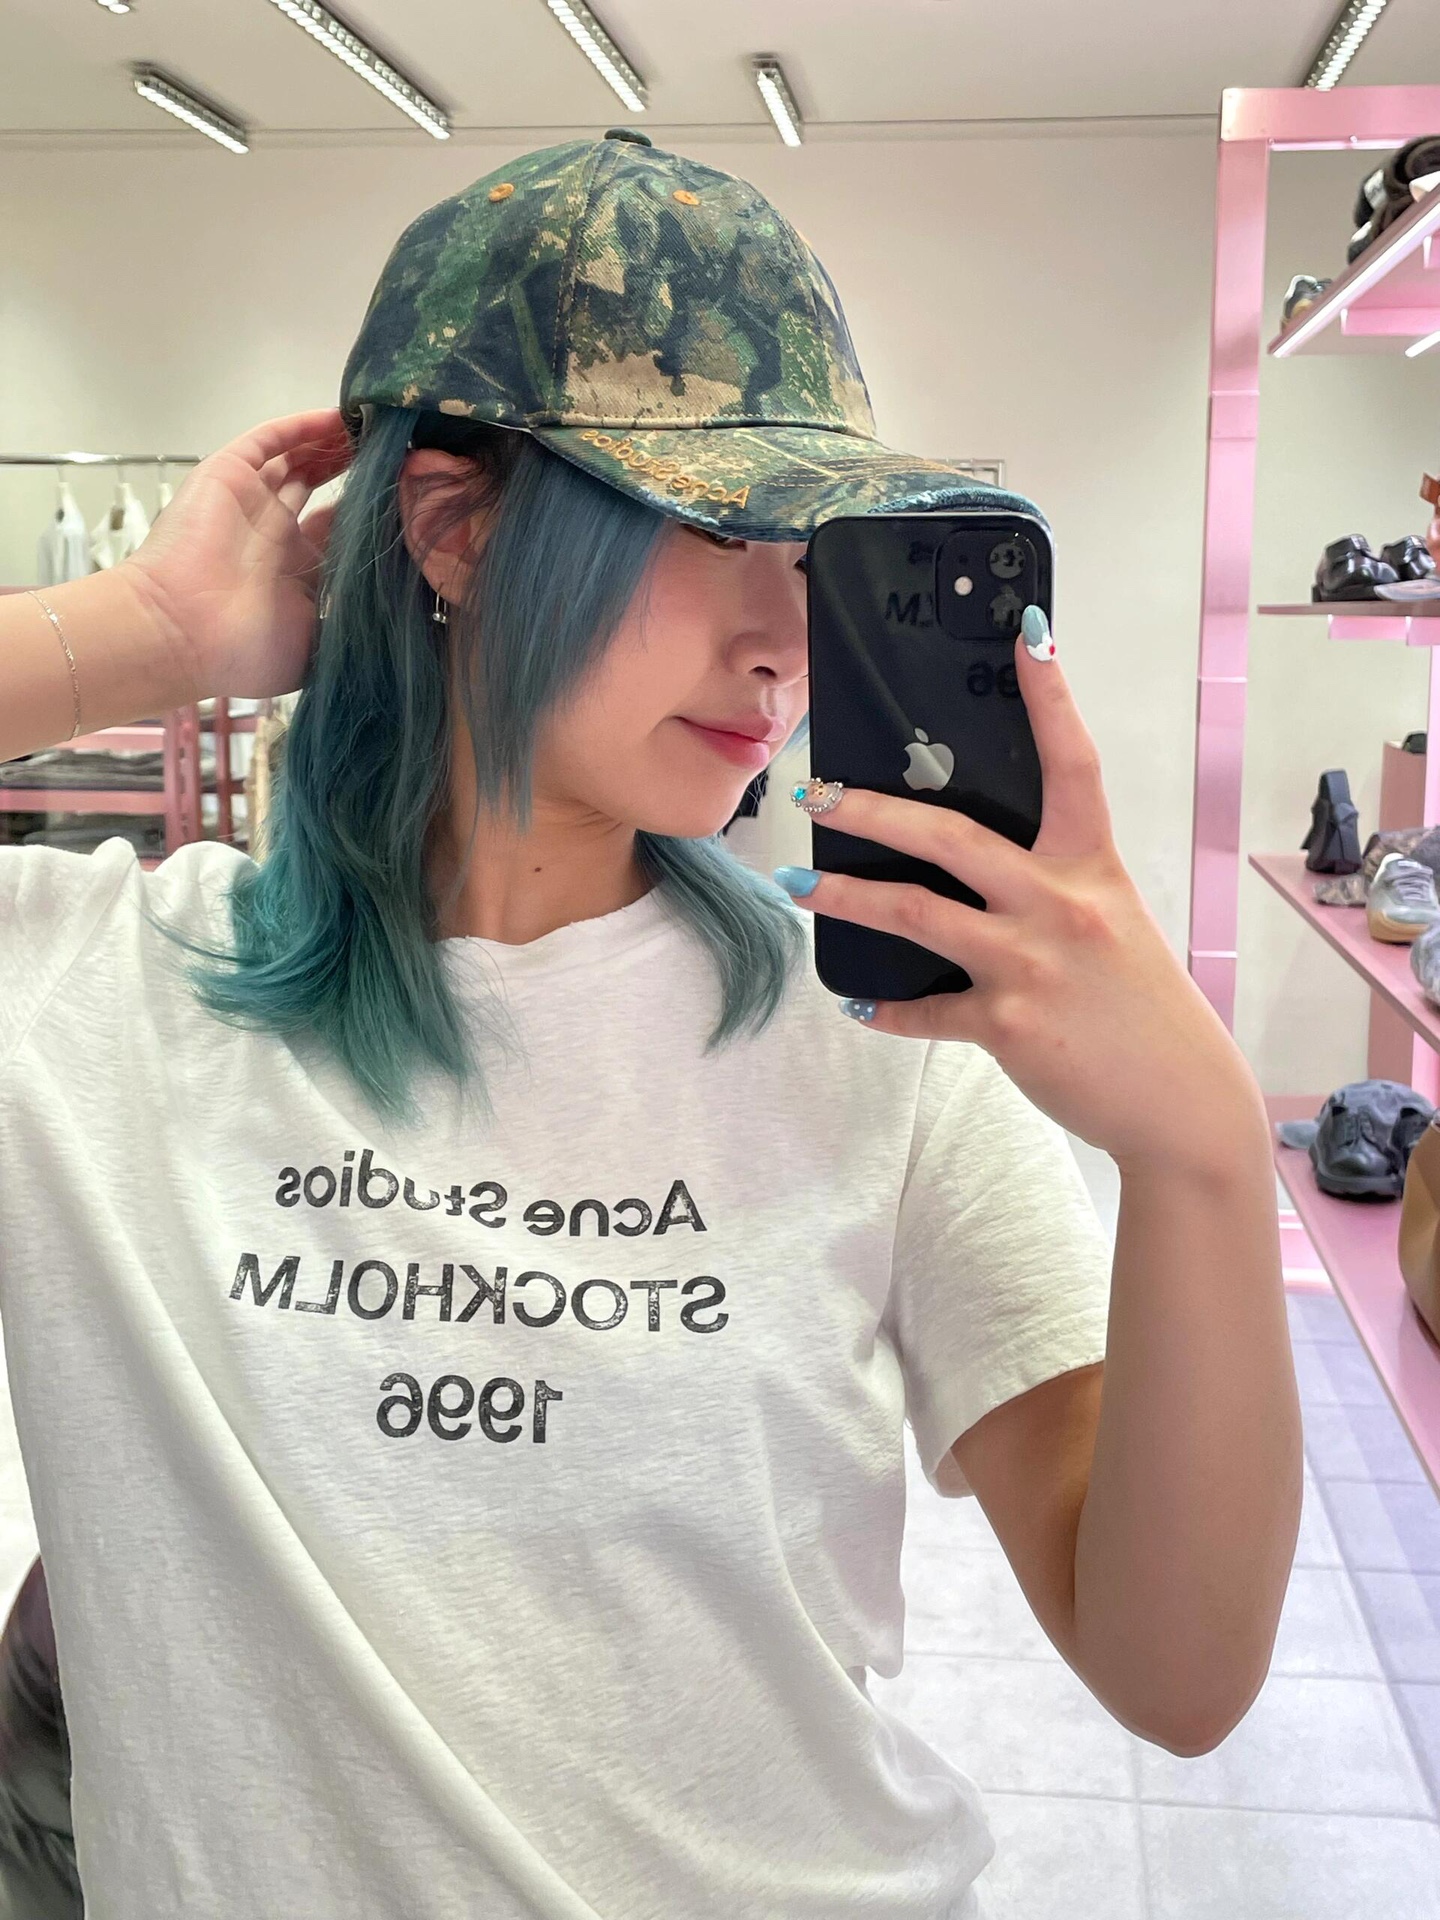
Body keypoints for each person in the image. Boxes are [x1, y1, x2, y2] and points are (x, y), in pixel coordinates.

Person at [0, 133, 1300, 1918]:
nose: (787, 642)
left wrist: (1203, 1155)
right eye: (715, 532)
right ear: (452, 528)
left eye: (812, 552)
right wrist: (149, 632)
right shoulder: (96, 996)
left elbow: (1181, 1677)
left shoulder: (876, 1038)